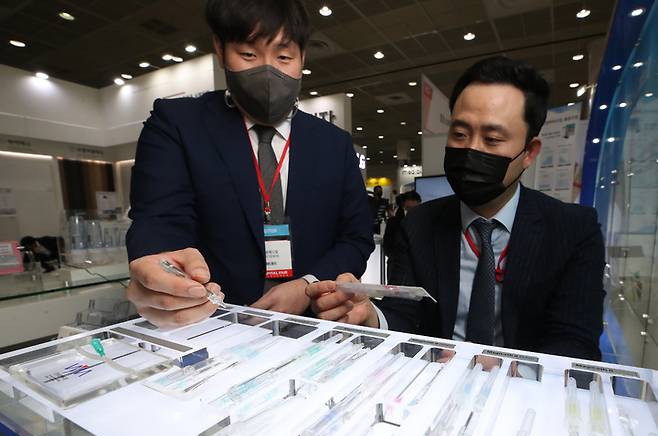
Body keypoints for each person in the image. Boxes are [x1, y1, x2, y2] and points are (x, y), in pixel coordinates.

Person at [307, 56, 605, 361]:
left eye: (492, 139)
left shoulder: (573, 229)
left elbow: (576, 341)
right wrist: (371, 317)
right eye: (460, 134)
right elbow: (404, 316)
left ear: (529, 152)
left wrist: (509, 369)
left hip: (524, 386)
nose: (471, 149)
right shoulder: (419, 225)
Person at [125, 0, 373, 328]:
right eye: (248, 54)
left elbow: (356, 236)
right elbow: (160, 219)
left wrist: (307, 285)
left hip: (313, 323)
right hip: (212, 322)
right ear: (220, 49)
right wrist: (162, 265)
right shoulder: (178, 124)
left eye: (283, 57)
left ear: (302, 58)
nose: (268, 71)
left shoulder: (333, 143)